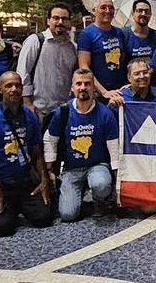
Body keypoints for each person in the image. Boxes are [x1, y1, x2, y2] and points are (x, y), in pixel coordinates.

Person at [0, 71, 54, 236]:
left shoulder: (30, 116)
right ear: (0, 90)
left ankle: (15, 206)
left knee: (44, 218)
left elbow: (37, 152)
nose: (14, 89)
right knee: (3, 228)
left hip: (23, 181)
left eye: (17, 85)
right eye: (8, 86)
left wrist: (44, 181)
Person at [43, 68, 119, 220]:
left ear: (93, 88)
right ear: (72, 88)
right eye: (79, 84)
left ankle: (99, 200)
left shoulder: (105, 113)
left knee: (101, 185)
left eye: (87, 84)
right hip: (71, 168)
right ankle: (77, 192)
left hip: (97, 165)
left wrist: (117, 181)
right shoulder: (62, 112)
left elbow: (114, 147)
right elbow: (50, 139)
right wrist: (49, 169)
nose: (83, 87)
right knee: (68, 215)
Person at [17, 3, 78, 120]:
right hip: (38, 110)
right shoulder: (36, 41)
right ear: (48, 21)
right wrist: (27, 103)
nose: (60, 22)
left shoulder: (73, 48)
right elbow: (22, 72)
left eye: (64, 19)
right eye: (56, 18)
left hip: (65, 110)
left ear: (69, 22)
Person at [77, 0, 127, 106]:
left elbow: (124, 61)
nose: (108, 11)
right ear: (94, 11)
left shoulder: (120, 33)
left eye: (111, 8)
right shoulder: (87, 34)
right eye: (103, 7)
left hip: (120, 92)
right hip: (99, 96)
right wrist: (104, 92)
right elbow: (84, 67)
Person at [122, 0, 156, 86]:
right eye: (140, 11)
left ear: (150, 14)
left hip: (153, 89)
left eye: (146, 11)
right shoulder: (123, 35)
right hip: (129, 90)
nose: (143, 14)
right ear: (133, 14)